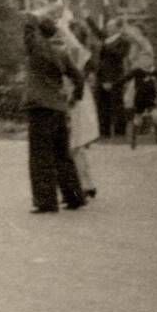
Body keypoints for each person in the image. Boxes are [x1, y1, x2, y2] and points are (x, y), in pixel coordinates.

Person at [24, 6, 86, 213]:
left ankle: (46, 201)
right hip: (59, 108)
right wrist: (75, 98)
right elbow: (78, 77)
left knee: (41, 156)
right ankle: (75, 196)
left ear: (39, 33)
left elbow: (28, 24)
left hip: (40, 107)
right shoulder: (61, 53)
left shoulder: (37, 49)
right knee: (62, 154)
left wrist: (39, 10)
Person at [54, 12, 100, 198]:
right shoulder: (78, 53)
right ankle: (86, 183)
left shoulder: (77, 52)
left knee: (73, 143)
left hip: (76, 98)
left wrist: (60, 20)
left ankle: (81, 184)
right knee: (75, 144)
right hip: (77, 97)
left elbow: (69, 39)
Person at [90, 17, 130, 138]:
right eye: (107, 27)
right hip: (101, 76)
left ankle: (119, 132)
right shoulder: (106, 39)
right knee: (102, 105)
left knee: (116, 105)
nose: (107, 29)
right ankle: (104, 132)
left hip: (114, 77)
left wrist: (106, 44)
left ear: (117, 28)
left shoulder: (123, 41)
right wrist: (88, 17)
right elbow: (97, 31)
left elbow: (119, 56)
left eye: (110, 26)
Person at [123, 65, 157, 148]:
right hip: (140, 99)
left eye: (148, 58)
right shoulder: (137, 71)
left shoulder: (154, 71)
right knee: (137, 120)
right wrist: (117, 85)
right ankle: (134, 140)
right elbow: (126, 78)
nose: (146, 61)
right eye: (144, 58)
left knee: (156, 117)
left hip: (151, 99)